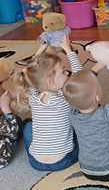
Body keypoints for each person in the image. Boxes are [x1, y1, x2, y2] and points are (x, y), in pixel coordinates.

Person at [13, 36, 81, 171]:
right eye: (63, 72)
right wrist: (68, 50)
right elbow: (81, 76)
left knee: (28, 126)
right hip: (63, 161)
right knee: (82, 124)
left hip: (36, 162)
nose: (67, 73)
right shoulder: (64, 98)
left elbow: (29, 72)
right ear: (50, 81)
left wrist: (41, 50)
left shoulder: (33, 95)